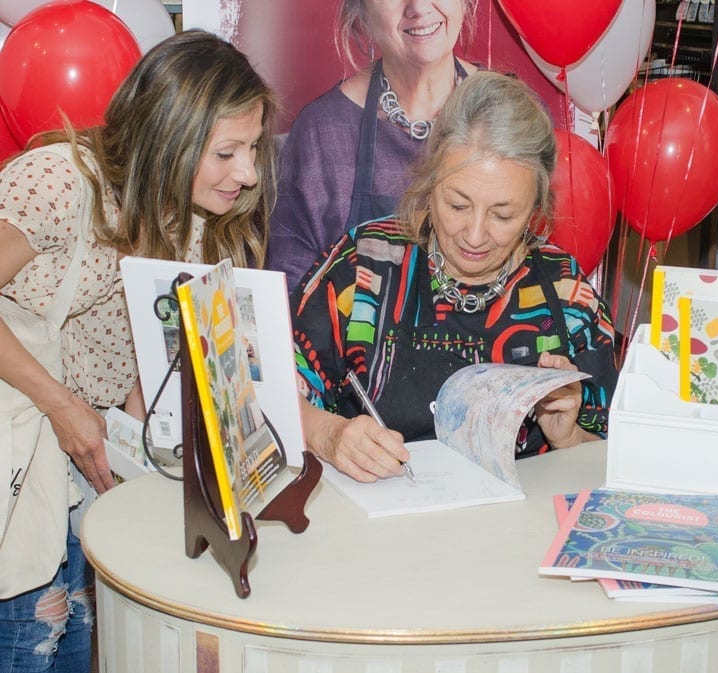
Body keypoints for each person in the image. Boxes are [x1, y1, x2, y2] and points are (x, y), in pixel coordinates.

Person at [0, 30, 277, 671]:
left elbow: (150, 355)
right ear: (168, 137)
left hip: (90, 471)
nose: (249, 174)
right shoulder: (60, 183)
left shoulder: (198, 217)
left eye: (255, 149)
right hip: (22, 457)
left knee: (79, 648)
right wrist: (60, 403)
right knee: (26, 646)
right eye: (228, 152)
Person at [291, 71, 618, 483]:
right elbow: (264, 391)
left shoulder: (565, 294)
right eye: (458, 205)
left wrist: (568, 438)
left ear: (537, 204)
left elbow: (616, 467)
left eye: (503, 215)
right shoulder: (365, 267)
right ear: (430, 184)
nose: (476, 235)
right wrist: (328, 434)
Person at [267, 0, 479, 291]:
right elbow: (290, 290)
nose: (418, 7)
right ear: (362, 15)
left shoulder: (512, 114)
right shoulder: (322, 132)